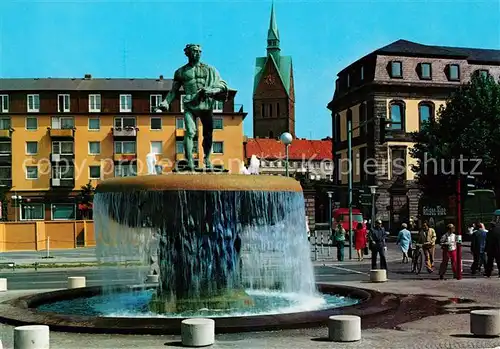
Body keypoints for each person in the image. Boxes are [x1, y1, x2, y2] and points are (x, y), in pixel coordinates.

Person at [156, 44, 228, 170]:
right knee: (190, 132)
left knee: (208, 133)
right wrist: (166, 102)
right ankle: (189, 161)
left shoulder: (209, 69)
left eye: (200, 51)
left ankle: (207, 158)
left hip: (206, 104)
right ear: (188, 53)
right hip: (190, 104)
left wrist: (212, 91)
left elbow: (221, 84)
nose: (198, 54)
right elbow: (174, 91)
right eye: (195, 51)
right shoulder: (180, 72)